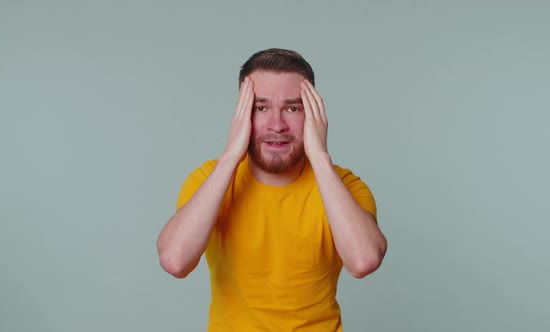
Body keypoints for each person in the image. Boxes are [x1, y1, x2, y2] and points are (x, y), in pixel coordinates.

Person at [157, 48, 387, 331]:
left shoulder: (344, 186)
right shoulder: (210, 179)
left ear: (313, 116)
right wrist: (229, 157)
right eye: (260, 108)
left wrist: (320, 157)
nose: (277, 125)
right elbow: (174, 260)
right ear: (242, 115)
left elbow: (363, 261)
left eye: (293, 108)